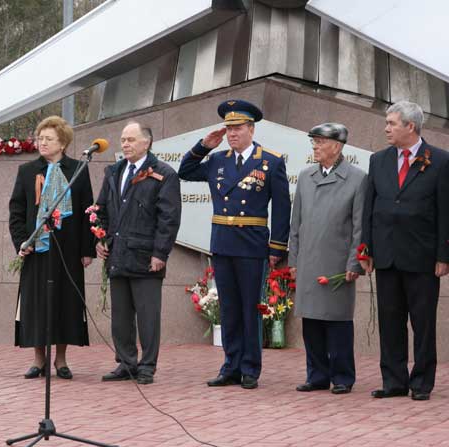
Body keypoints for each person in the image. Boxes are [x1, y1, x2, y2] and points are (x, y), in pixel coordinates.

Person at [179, 99, 290, 389]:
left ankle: (250, 368)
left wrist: (277, 246)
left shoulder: (270, 162)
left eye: (238, 128)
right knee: (228, 308)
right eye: (228, 129)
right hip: (223, 243)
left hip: (252, 245)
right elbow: (185, 171)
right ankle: (231, 365)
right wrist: (204, 145)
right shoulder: (218, 160)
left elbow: (281, 208)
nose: (232, 134)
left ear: (251, 129)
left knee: (249, 308)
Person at [361, 101, 449, 401]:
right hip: (386, 254)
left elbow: (445, 211)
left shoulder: (439, 160)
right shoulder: (379, 160)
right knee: (389, 320)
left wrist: (444, 255)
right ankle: (394, 381)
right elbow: (369, 208)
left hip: (422, 256)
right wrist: (367, 249)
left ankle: (422, 382)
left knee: (422, 322)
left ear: (410, 127)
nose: (386, 128)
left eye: (392, 123)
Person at [9, 116, 94, 380]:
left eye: (48, 139)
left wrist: (87, 249)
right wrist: (22, 241)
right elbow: (17, 211)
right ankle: (38, 359)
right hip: (36, 249)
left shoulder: (78, 170)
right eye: (40, 138)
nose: (42, 143)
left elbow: (86, 211)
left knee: (64, 301)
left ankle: (61, 359)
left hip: (67, 250)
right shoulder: (27, 171)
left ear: (63, 143)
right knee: (36, 302)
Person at [96, 121, 181, 385]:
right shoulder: (114, 171)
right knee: (120, 317)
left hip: (146, 258)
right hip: (118, 255)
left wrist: (160, 254)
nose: (125, 144)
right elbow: (101, 210)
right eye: (123, 140)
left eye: (131, 140)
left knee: (147, 317)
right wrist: (100, 237)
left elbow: (169, 218)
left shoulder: (163, 174)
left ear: (147, 142)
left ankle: (147, 366)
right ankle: (126, 362)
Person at [288, 123, 367, 395]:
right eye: (314, 142)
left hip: (337, 263)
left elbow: (359, 228)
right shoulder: (305, 176)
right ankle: (317, 375)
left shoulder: (357, 179)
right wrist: (294, 260)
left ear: (337, 145)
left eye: (320, 142)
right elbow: (295, 224)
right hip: (308, 261)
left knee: (338, 321)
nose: (315, 147)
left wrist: (354, 264)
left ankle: (343, 376)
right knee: (311, 321)